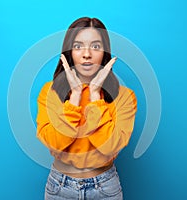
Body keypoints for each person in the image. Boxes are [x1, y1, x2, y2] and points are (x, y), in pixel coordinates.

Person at [36, 17, 137, 200]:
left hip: (105, 188)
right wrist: (74, 98)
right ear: (69, 53)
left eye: (96, 47)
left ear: (105, 53)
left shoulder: (125, 97)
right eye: (78, 46)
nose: (87, 54)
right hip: (59, 188)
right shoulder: (49, 93)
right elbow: (55, 145)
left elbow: (110, 147)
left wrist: (95, 97)